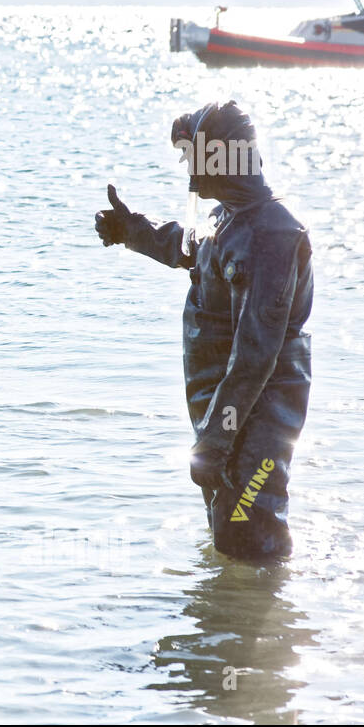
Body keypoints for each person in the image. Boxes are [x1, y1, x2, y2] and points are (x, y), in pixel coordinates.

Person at [95, 101, 312, 561]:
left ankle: (262, 616)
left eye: (192, 156)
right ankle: (234, 621)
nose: (187, 169)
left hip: (258, 414)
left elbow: (256, 357)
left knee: (248, 530)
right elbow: (187, 247)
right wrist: (131, 230)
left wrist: (218, 439)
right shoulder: (230, 218)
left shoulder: (274, 234)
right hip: (224, 410)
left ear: (223, 156)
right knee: (228, 529)